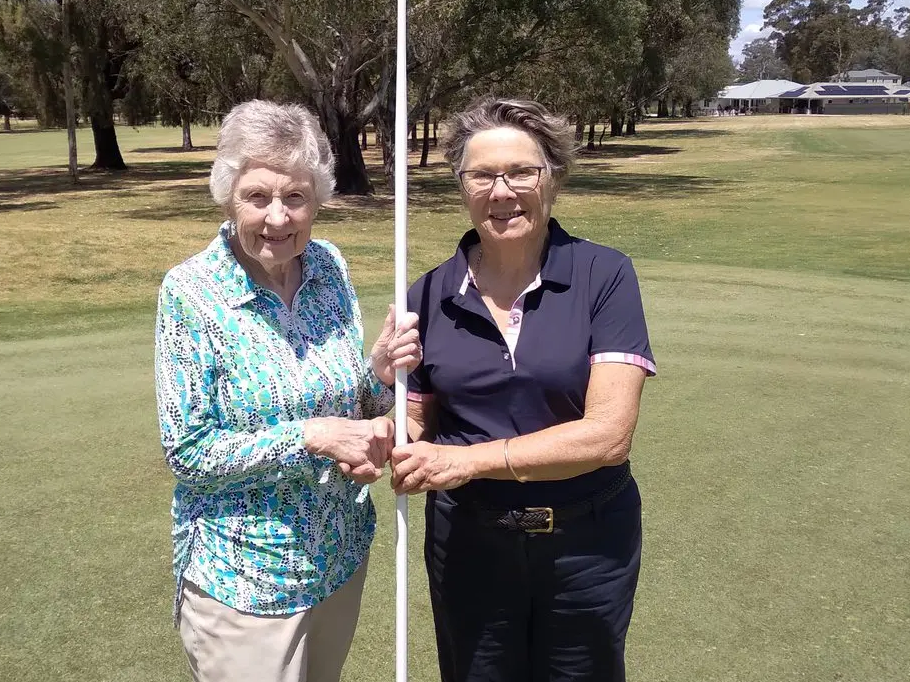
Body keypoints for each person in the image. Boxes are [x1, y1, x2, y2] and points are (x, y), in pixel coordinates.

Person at [391, 97, 657, 682]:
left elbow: (608, 436)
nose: (501, 191)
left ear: (553, 178)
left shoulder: (604, 275)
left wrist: (464, 461)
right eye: (482, 175)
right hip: (468, 544)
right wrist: (384, 387)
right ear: (461, 185)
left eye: (521, 172)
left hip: (588, 543)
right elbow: (413, 427)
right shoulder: (425, 295)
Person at [154, 99, 421, 682]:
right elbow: (188, 451)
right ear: (229, 196)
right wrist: (312, 437)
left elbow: (350, 404)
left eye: (295, 197)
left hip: (338, 557)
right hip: (243, 580)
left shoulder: (328, 266)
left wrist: (376, 374)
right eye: (258, 197)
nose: (279, 217)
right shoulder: (191, 292)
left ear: (317, 199)